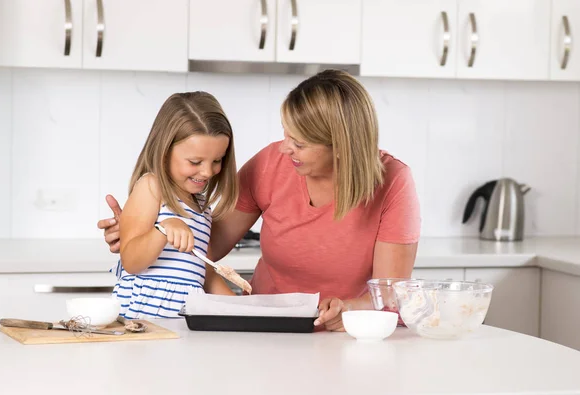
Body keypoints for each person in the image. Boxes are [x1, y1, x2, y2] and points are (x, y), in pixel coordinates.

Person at [98, 70, 421, 330]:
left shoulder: (393, 182)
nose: (284, 148)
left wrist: (346, 309)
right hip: (270, 324)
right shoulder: (270, 164)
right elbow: (206, 246)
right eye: (285, 134)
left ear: (341, 146)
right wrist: (140, 231)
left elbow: (389, 292)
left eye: (299, 142)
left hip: (347, 330)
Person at [110, 91, 239, 319]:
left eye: (217, 160)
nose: (208, 171)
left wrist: (245, 310)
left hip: (182, 317)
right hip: (143, 319)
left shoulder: (201, 208)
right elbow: (131, 261)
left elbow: (205, 273)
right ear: (165, 151)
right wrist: (163, 229)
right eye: (195, 162)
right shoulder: (152, 187)